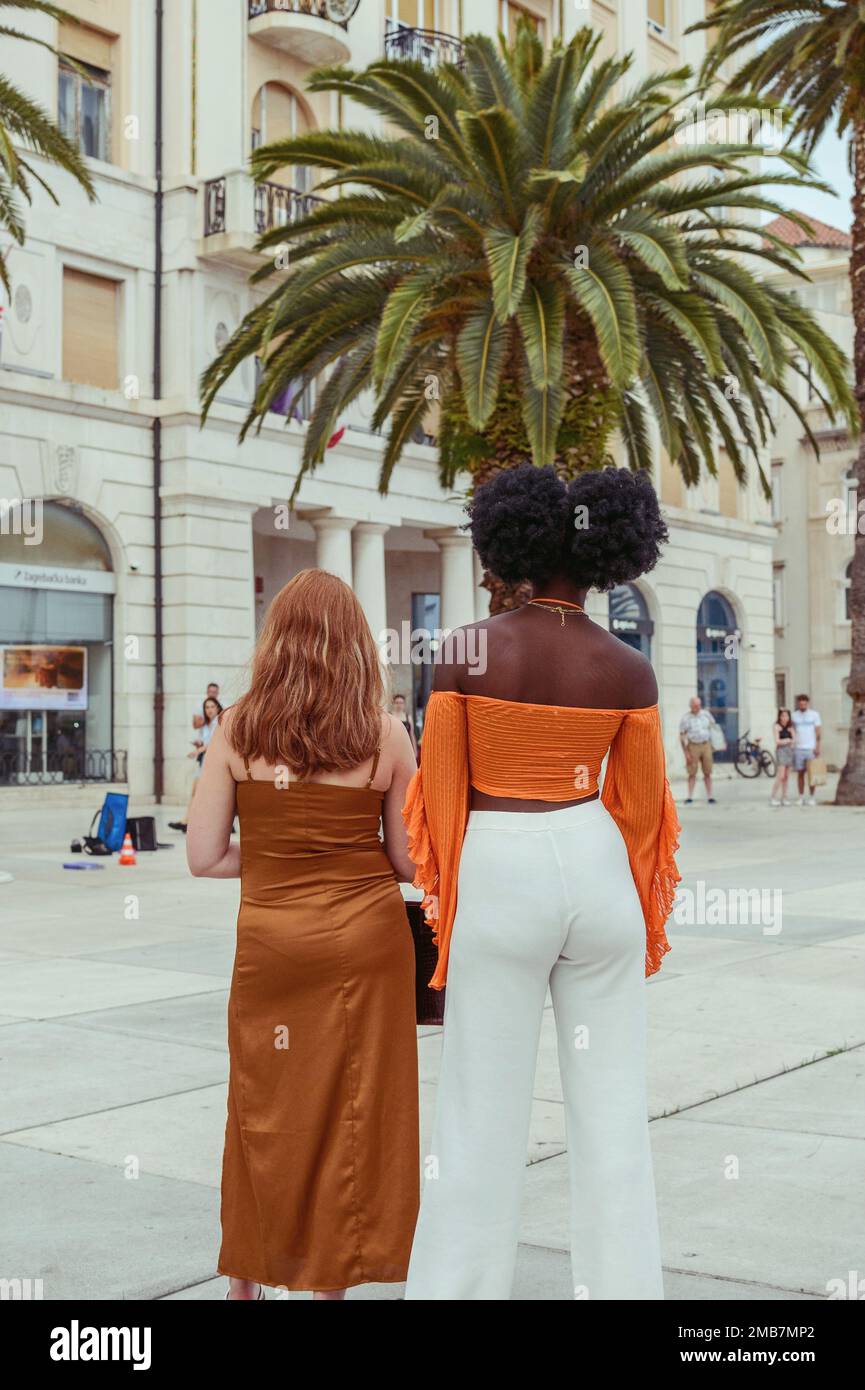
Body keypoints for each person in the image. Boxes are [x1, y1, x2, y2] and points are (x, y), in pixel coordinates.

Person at [401, 465, 679, 1301]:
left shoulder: (466, 652)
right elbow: (643, 813)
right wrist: (639, 912)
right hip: (597, 873)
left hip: (499, 866)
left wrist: (442, 905)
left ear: (510, 542)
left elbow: (439, 799)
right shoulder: (628, 670)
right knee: (612, 1114)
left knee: (477, 1113)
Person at [186, 570, 419, 1301]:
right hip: (366, 940)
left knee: (263, 1103)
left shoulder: (236, 729)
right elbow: (410, 861)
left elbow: (203, 856)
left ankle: (246, 1278)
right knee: (354, 1106)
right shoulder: (383, 735)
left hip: (272, 941)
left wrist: (281, 857)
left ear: (274, 639)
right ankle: (328, 1283)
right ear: (355, 644)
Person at [169, 696, 222, 834]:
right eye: (207, 707)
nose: (209, 710)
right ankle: (187, 821)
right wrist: (198, 745)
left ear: (217, 708)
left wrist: (198, 750)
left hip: (214, 762)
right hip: (205, 761)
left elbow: (214, 743)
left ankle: (189, 821)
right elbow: (205, 742)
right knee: (197, 792)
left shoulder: (219, 723)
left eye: (212, 707)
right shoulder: (206, 725)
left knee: (203, 793)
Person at [679, 696, 718, 804]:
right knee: (692, 772)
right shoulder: (686, 718)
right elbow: (682, 736)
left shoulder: (706, 715)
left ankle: (710, 796)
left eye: (699, 705)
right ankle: (690, 796)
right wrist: (686, 752)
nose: (697, 707)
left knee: (708, 772)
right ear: (691, 706)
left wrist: (717, 743)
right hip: (693, 746)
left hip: (706, 745)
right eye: (695, 705)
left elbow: (714, 728)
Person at [791, 693, 822, 806]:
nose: (802, 705)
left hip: (811, 749)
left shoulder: (814, 715)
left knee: (812, 774)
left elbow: (818, 732)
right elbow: (791, 731)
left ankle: (812, 797)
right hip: (798, 749)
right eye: (800, 703)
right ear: (798, 704)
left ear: (807, 703)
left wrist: (817, 747)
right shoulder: (794, 715)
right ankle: (800, 797)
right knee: (800, 773)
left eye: (804, 703)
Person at [769, 708, 795, 806]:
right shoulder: (776, 726)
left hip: (790, 751)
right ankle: (773, 797)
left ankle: (784, 797)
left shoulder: (791, 727)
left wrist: (788, 741)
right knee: (781, 776)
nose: (784, 718)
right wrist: (788, 740)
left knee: (787, 777)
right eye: (782, 715)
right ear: (779, 716)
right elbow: (777, 741)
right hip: (781, 751)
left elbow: (794, 739)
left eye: (786, 716)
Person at [391, 693, 418, 759]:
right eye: (397, 703)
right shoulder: (389, 716)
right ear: (393, 704)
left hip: (406, 748)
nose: (399, 705)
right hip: (392, 747)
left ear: (404, 705)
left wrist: (415, 750)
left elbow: (412, 734)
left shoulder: (408, 717)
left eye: (401, 703)